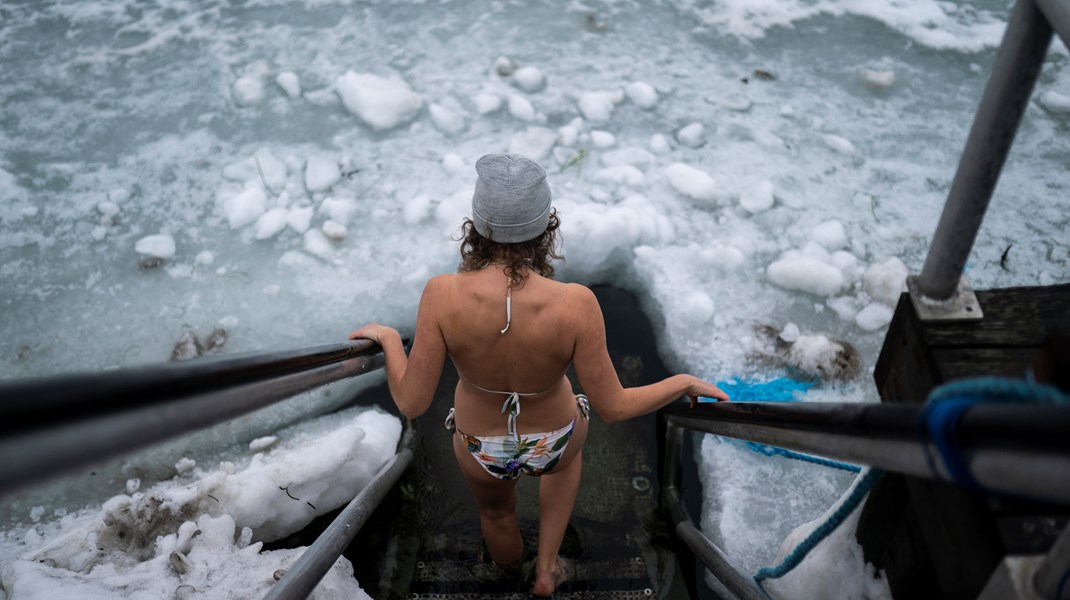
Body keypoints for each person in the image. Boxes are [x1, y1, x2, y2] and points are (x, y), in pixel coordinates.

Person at [350, 153, 729, 597]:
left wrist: (392, 340)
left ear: (476, 227)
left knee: (495, 515)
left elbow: (412, 403)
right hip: (557, 436)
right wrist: (681, 382)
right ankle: (547, 570)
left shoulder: (441, 295)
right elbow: (613, 406)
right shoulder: (576, 303)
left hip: (480, 445)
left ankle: (509, 573)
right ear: (546, 228)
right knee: (564, 462)